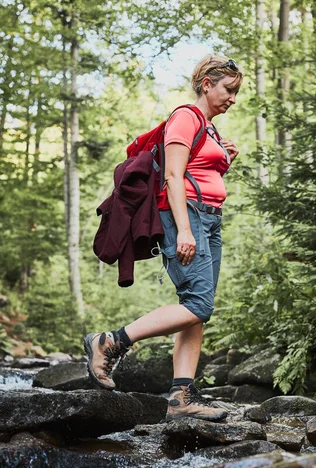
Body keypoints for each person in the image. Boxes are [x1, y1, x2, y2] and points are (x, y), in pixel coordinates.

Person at [84, 55, 243, 421]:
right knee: (199, 305)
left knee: (195, 311)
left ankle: (181, 398)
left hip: (209, 219)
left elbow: (196, 173)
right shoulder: (186, 117)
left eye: (236, 92)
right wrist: (185, 228)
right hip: (187, 217)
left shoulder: (208, 127)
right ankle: (110, 341)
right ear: (207, 83)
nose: (233, 98)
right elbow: (172, 176)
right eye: (228, 89)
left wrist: (224, 159)